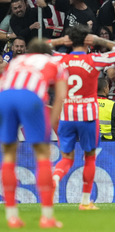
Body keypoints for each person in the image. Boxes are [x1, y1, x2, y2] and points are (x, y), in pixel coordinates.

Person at [48, 25, 115, 210]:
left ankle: (55, 178)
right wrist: (100, 41)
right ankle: (85, 201)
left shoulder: (61, 59)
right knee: (90, 158)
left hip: (66, 114)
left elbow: (38, 48)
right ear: (88, 41)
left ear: (70, 41)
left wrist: (60, 41)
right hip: (88, 116)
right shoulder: (94, 59)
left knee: (67, 158)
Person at [0, 38, 68, 228]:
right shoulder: (54, 62)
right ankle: (47, 217)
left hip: (4, 97)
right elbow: (60, 96)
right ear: (47, 53)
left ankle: (12, 216)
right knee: (41, 153)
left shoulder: (15, 61)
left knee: (8, 155)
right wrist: (51, 124)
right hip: (29, 96)